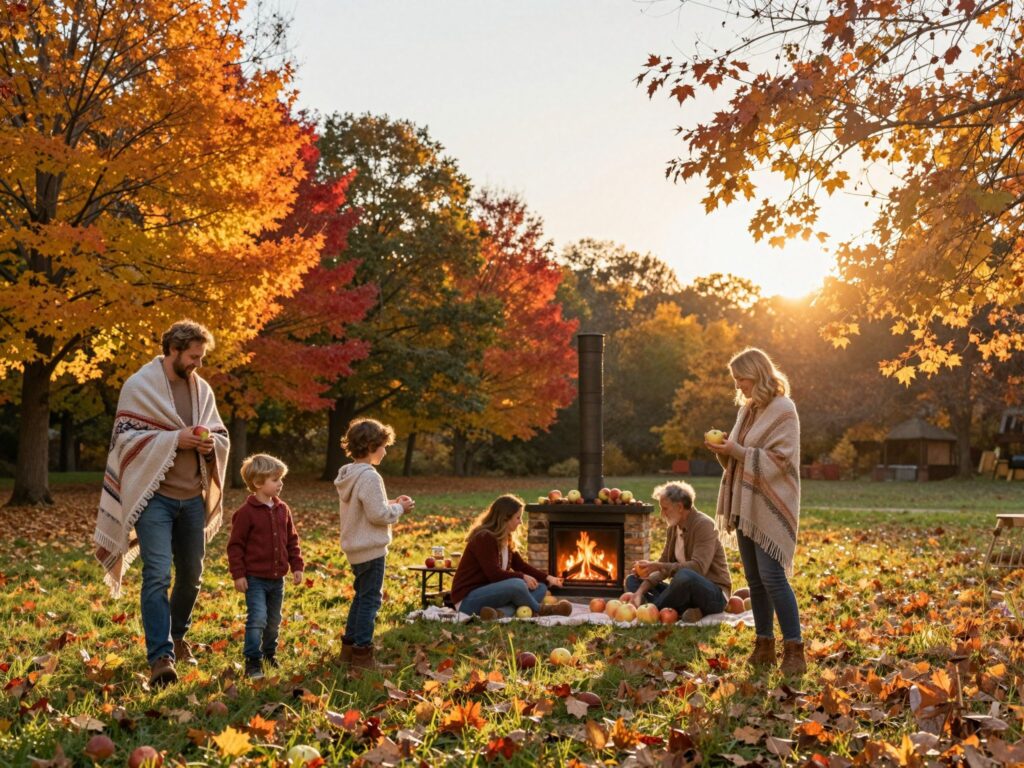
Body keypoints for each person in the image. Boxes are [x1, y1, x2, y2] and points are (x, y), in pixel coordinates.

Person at [93, 320, 229, 688]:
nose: (199, 364)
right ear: (173, 349)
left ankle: (177, 634)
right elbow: (123, 440)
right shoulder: (140, 386)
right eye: (194, 357)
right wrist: (175, 440)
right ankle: (160, 657)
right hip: (155, 499)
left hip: (193, 497)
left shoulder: (202, 390)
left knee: (192, 575)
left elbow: (219, 432)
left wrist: (207, 444)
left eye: (202, 357)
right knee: (156, 574)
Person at [706, 347, 805, 675]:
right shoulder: (747, 411)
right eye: (735, 381)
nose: (739, 387)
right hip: (744, 501)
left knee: (773, 576)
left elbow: (781, 460)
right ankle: (764, 645)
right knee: (754, 579)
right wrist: (725, 451)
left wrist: (737, 450)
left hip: (770, 500)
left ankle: (794, 649)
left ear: (758, 375)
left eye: (742, 379)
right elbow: (738, 456)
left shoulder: (783, 409)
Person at [334, 418, 415, 670]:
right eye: (383, 446)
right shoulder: (369, 475)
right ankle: (363, 656)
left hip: (355, 548)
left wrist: (390, 501)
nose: (385, 451)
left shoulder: (349, 474)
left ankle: (348, 652)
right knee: (370, 601)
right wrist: (400, 508)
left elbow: (367, 505)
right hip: (371, 549)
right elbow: (378, 515)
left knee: (361, 598)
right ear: (371, 445)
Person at [227, 454, 304, 679]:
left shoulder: (283, 509)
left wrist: (297, 565)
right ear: (259, 483)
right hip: (255, 579)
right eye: (275, 479)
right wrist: (238, 574)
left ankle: (269, 654)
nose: (280, 483)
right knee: (257, 617)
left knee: (273, 620)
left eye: (281, 479)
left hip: (277, 579)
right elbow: (235, 546)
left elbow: (292, 540)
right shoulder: (245, 513)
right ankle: (253, 660)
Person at [449, 494, 572, 620]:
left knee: (540, 586)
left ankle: (499, 614)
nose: (521, 522)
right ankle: (542, 609)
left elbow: (521, 566)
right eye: (518, 518)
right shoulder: (484, 538)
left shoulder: (505, 538)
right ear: (505, 519)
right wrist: (522, 577)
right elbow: (494, 574)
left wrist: (548, 578)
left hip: (490, 596)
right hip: (468, 600)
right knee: (518, 584)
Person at [622, 481, 731, 618]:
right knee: (633, 580)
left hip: (713, 595)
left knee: (684, 575)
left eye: (665, 508)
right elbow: (663, 567)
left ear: (679, 506)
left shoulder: (704, 525)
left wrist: (657, 565)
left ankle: (653, 609)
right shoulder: (673, 528)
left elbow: (698, 568)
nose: (662, 514)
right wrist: (639, 590)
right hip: (685, 590)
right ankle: (680, 610)